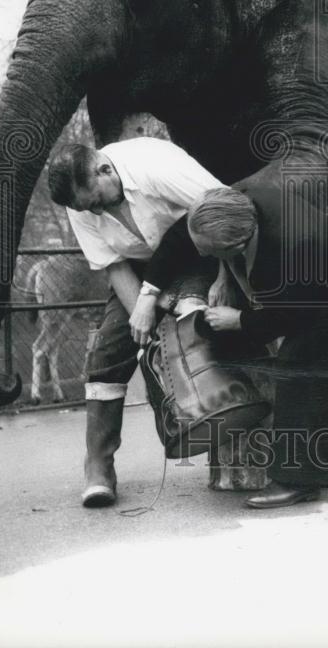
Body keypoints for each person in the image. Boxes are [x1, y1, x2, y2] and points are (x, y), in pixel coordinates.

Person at [141, 179, 328, 509]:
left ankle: (297, 480)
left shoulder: (295, 244)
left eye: (209, 252)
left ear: (237, 243)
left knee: (300, 362)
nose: (201, 254)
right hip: (308, 276)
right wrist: (217, 276)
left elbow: (292, 316)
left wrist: (239, 320)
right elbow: (193, 241)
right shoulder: (227, 205)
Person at [47, 136, 224, 507]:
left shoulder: (155, 164)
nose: (94, 213)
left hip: (200, 251)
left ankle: (223, 425)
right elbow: (114, 264)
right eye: (87, 209)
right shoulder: (79, 204)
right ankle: (98, 466)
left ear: (105, 169)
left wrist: (226, 282)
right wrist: (143, 322)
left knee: (193, 326)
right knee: (107, 353)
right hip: (140, 270)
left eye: (96, 202)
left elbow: (223, 212)